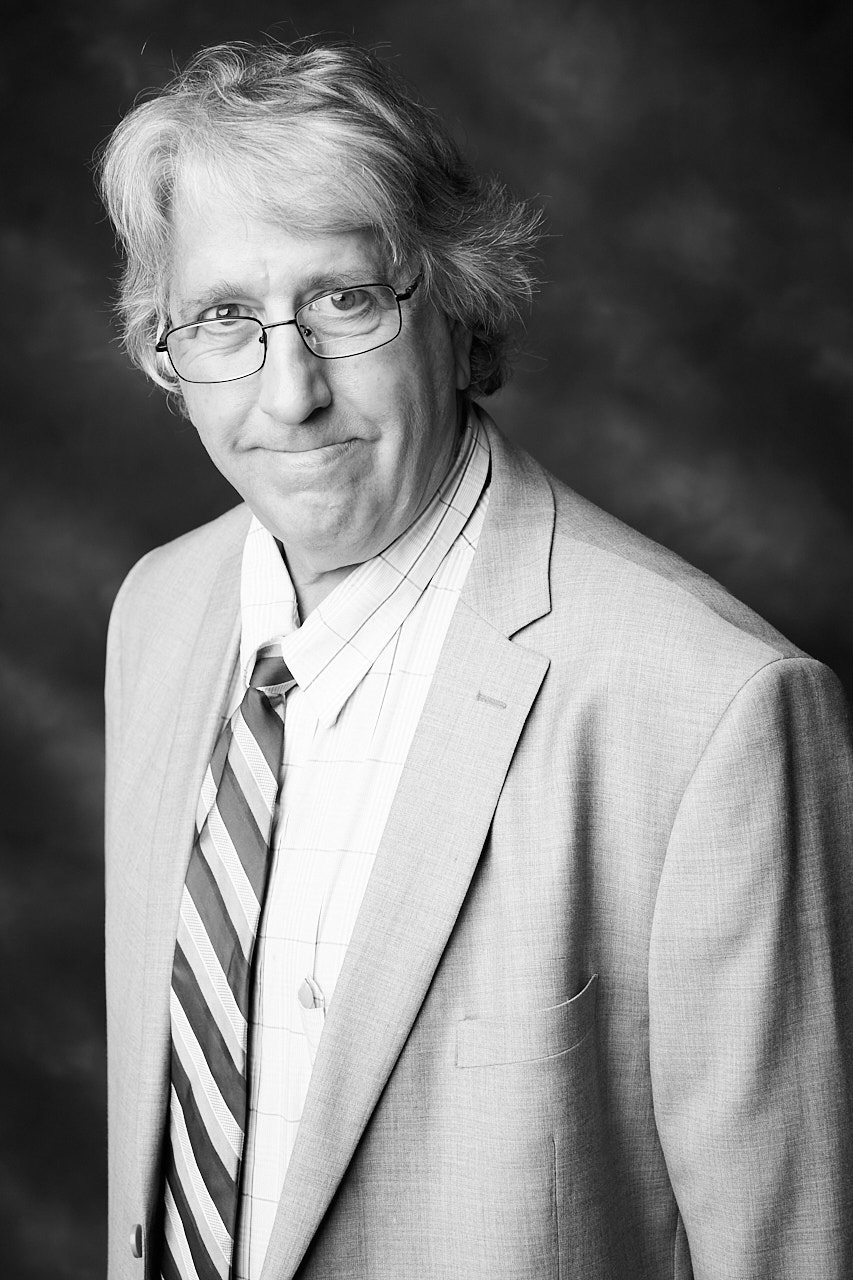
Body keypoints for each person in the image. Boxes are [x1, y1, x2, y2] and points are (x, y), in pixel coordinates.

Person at [99, 38, 853, 1280]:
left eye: (345, 301)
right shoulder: (158, 612)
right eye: (226, 316)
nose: (289, 394)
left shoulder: (715, 709)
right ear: (165, 348)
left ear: (455, 309)